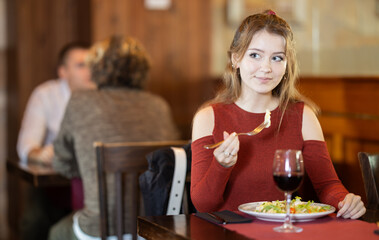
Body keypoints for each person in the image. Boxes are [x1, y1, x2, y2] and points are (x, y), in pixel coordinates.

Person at [191, 10, 366, 220]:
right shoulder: (208, 117)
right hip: (226, 232)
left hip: (284, 230)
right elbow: (203, 204)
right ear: (236, 59)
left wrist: (345, 200)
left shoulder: (304, 116)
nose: (266, 68)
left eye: (277, 58)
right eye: (255, 55)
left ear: (286, 65)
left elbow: (327, 185)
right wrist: (222, 165)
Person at [48, 36, 179, 240]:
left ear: (97, 67)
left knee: (56, 232)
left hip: (100, 229)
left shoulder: (80, 102)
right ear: (142, 70)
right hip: (155, 227)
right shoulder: (159, 106)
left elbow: (62, 164)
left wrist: (89, 168)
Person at [17, 42, 95, 240]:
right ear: (63, 71)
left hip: (93, 183)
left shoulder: (104, 95)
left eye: (93, 64)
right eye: (81, 65)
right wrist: (40, 155)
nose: (89, 70)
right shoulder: (45, 95)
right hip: (54, 182)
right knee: (35, 221)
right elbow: (26, 146)